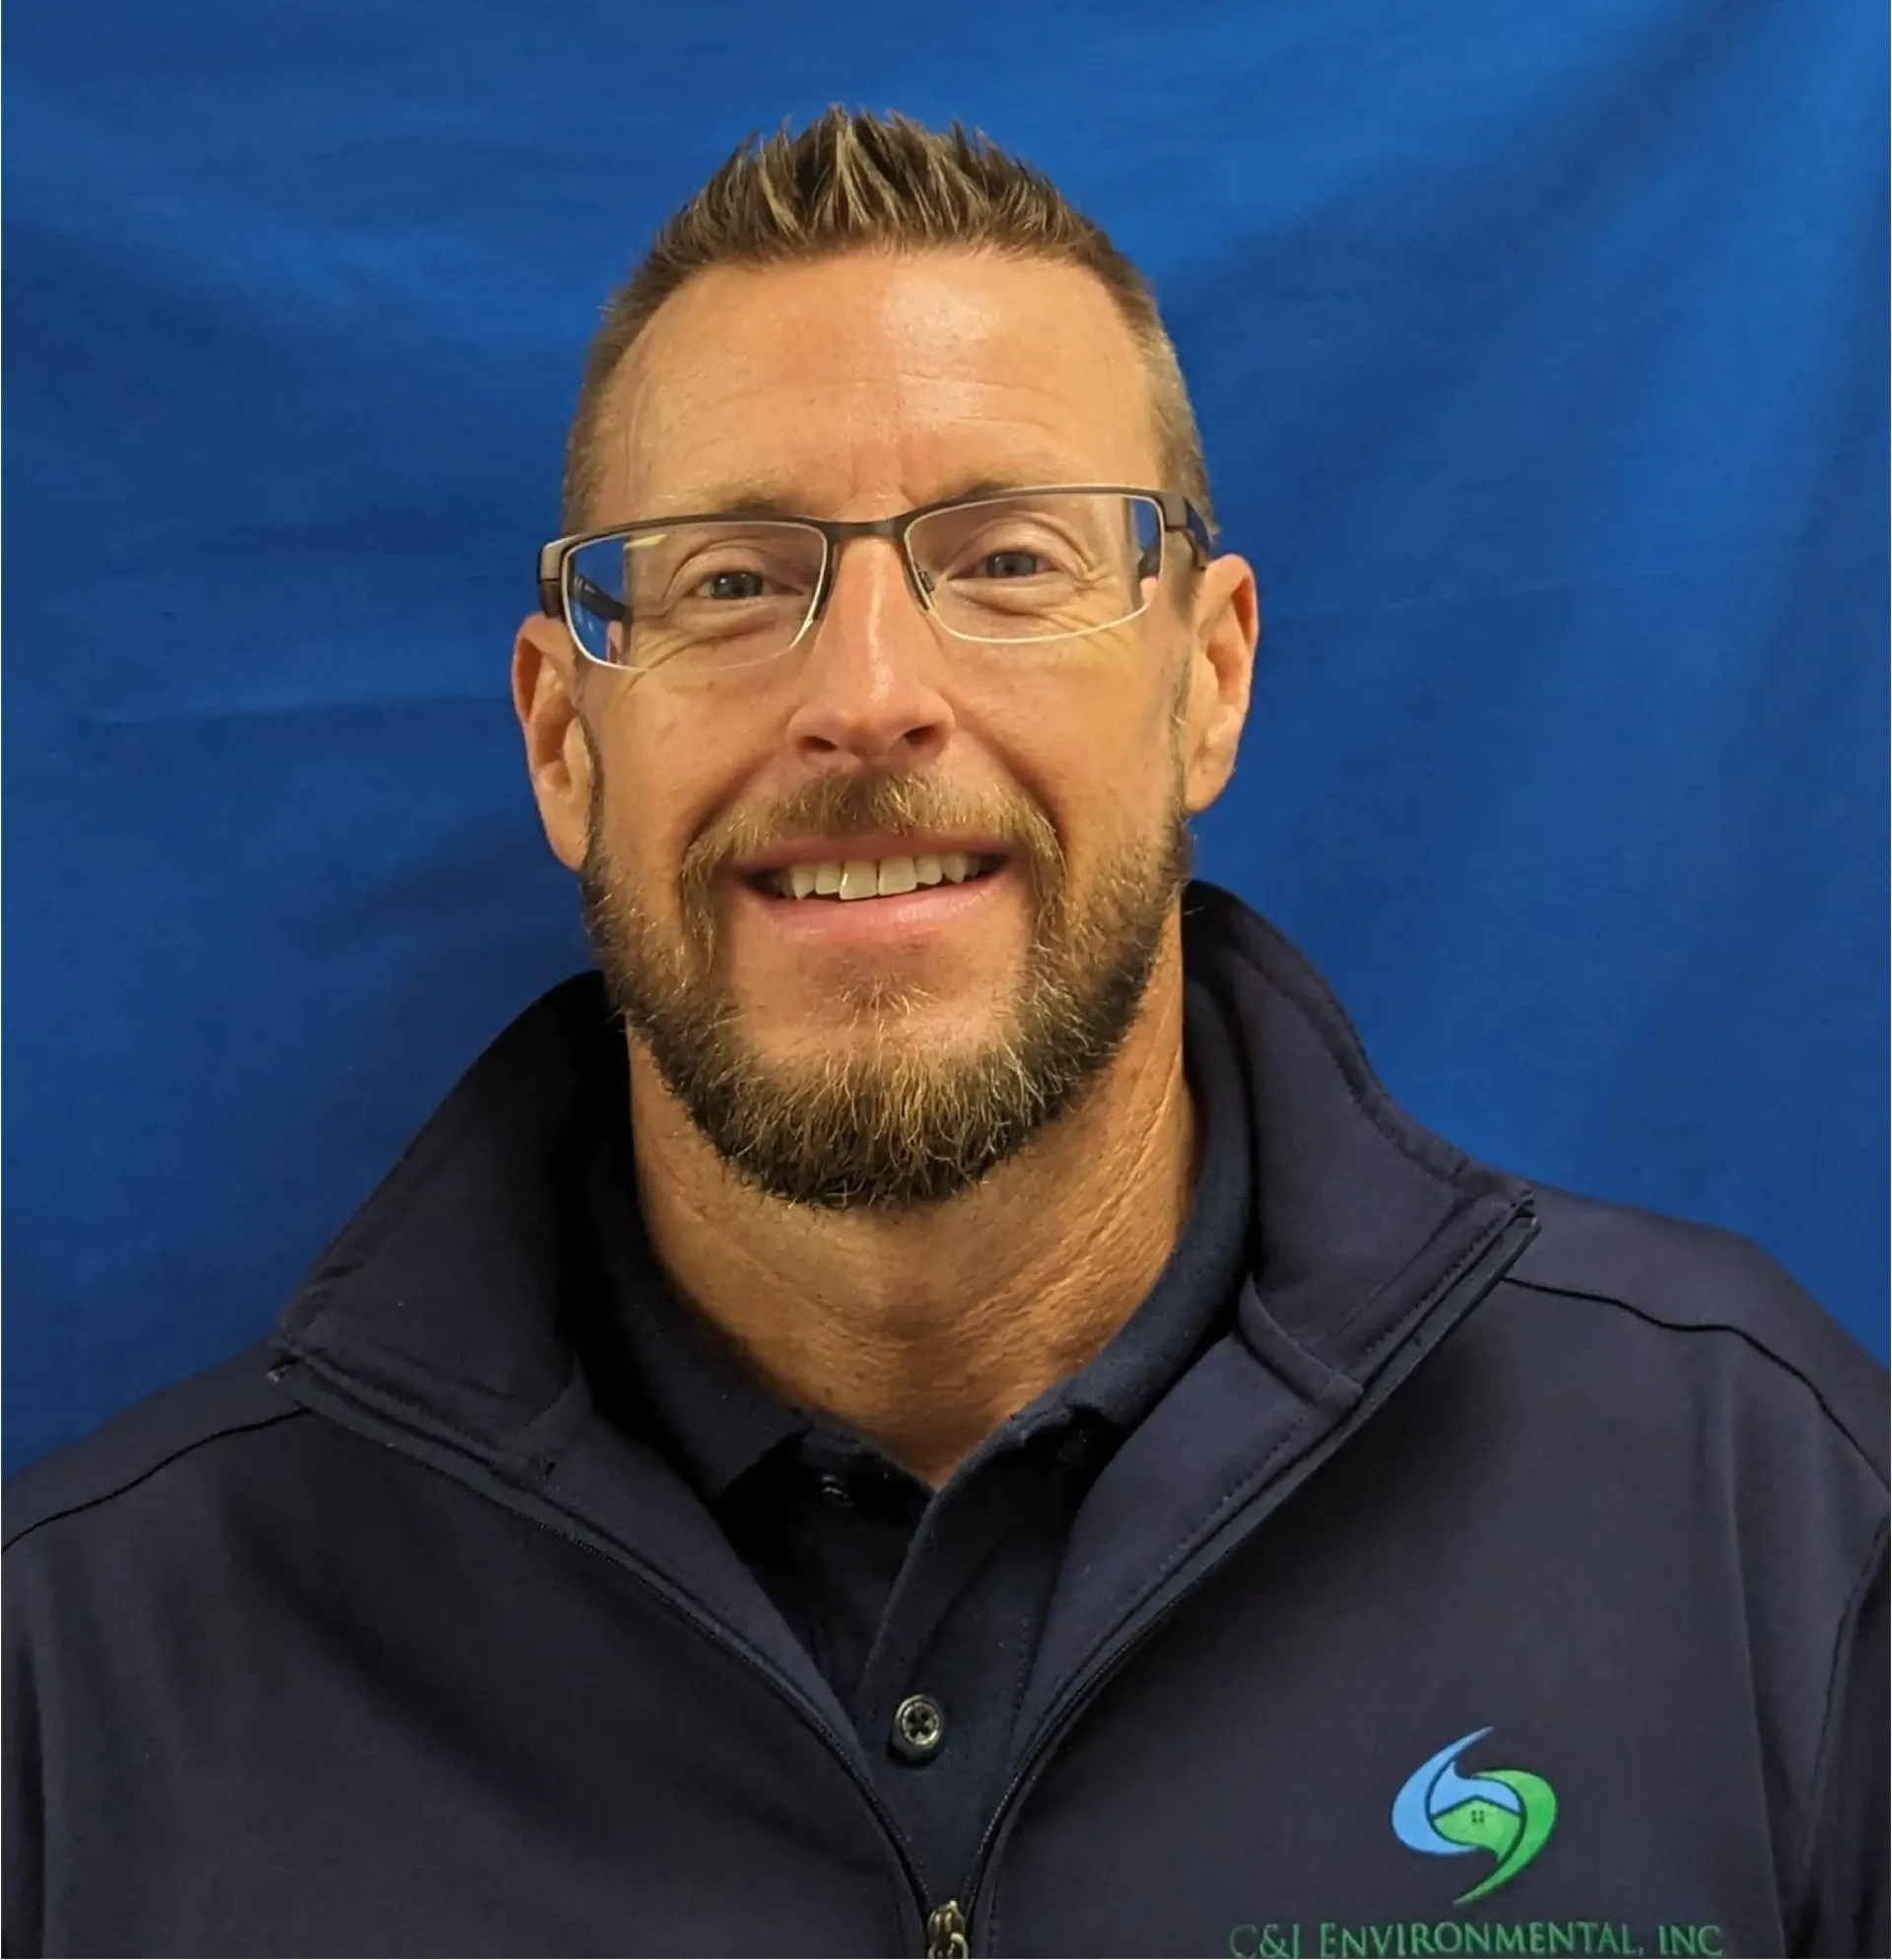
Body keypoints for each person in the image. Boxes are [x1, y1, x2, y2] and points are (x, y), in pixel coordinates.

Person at [4, 109, 1883, 1960]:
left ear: (1208, 681)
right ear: (566, 742)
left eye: (1008, 562)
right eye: (735, 581)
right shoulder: (84, 1684)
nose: (872, 699)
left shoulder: (1759, 1515)